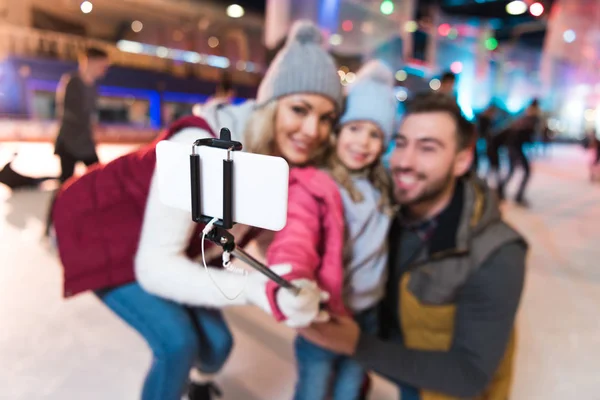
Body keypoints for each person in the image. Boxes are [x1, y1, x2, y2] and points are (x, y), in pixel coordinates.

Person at [50, 20, 342, 400]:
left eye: (325, 118)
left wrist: (291, 279)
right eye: (299, 109)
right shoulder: (205, 151)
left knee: (217, 345)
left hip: (163, 243)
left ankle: (189, 385)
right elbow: (155, 267)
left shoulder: (279, 162)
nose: (312, 130)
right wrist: (257, 289)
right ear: (270, 105)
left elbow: (270, 240)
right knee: (177, 344)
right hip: (98, 229)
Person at [296, 92, 527, 400]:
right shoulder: (387, 214)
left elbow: (469, 375)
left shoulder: (498, 253)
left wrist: (356, 345)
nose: (404, 162)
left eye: (427, 148)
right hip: (406, 376)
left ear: (462, 160)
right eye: (401, 143)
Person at [264, 60, 396, 400]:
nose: (362, 142)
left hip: (368, 313)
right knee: (314, 386)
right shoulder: (315, 185)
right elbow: (296, 233)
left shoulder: (383, 186)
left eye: (375, 134)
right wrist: (293, 274)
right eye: (354, 128)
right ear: (337, 131)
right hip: (324, 311)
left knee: (350, 388)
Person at [54, 47, 109, 182]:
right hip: (69, 141)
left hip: (85, 141)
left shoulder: (93, 87)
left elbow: (91, 113)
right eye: (102, 65)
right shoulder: (72, 82)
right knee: (66, 184)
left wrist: (94, 125)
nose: (104, 69)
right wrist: (91, 125)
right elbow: (71, 112)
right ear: (89, 61)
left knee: (99, 177)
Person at [498, 99, 541, 206]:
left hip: (514, 147)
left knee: (513, 170)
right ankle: (516, 195)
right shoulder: (529, 120)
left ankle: (502, 190)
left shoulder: (524, 119)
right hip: (514, 148)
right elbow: (522, 137)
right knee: (524, 171)